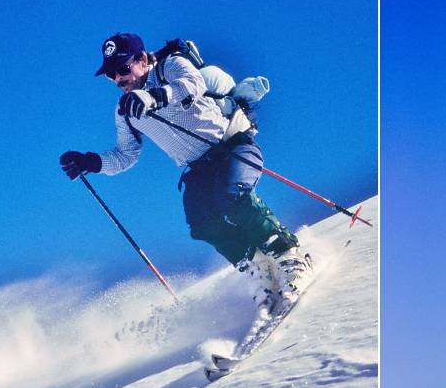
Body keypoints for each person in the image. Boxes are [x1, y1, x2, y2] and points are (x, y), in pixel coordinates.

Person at [60, 32, 311, 306]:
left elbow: (193, 84)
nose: (119, 79)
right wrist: (91, 162)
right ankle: (258, 268)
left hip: (230, 145)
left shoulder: (170, 67)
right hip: (198, 169)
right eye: (111, 75)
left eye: (123, 68)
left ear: (143, 60)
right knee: (202, 224)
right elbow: (125, 154)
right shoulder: (125, 110)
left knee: (232, 197)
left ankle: (289, 255)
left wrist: (154, 97)